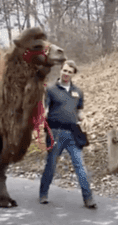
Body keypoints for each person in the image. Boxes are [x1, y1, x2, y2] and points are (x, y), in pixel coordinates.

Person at [39, 60, 97, 209]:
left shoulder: (78, 92)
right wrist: (44, 114)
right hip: (55, 133)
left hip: (73, 133)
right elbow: (45, 107)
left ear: (73, 74)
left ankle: (88, 198)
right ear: (61, 70)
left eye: (70, 72)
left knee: (80, 166)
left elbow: (79, 111)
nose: (66, 74)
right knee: (51, 165)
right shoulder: (51, 89)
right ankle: (43, 193)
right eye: (64, 70)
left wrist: (84, 119)